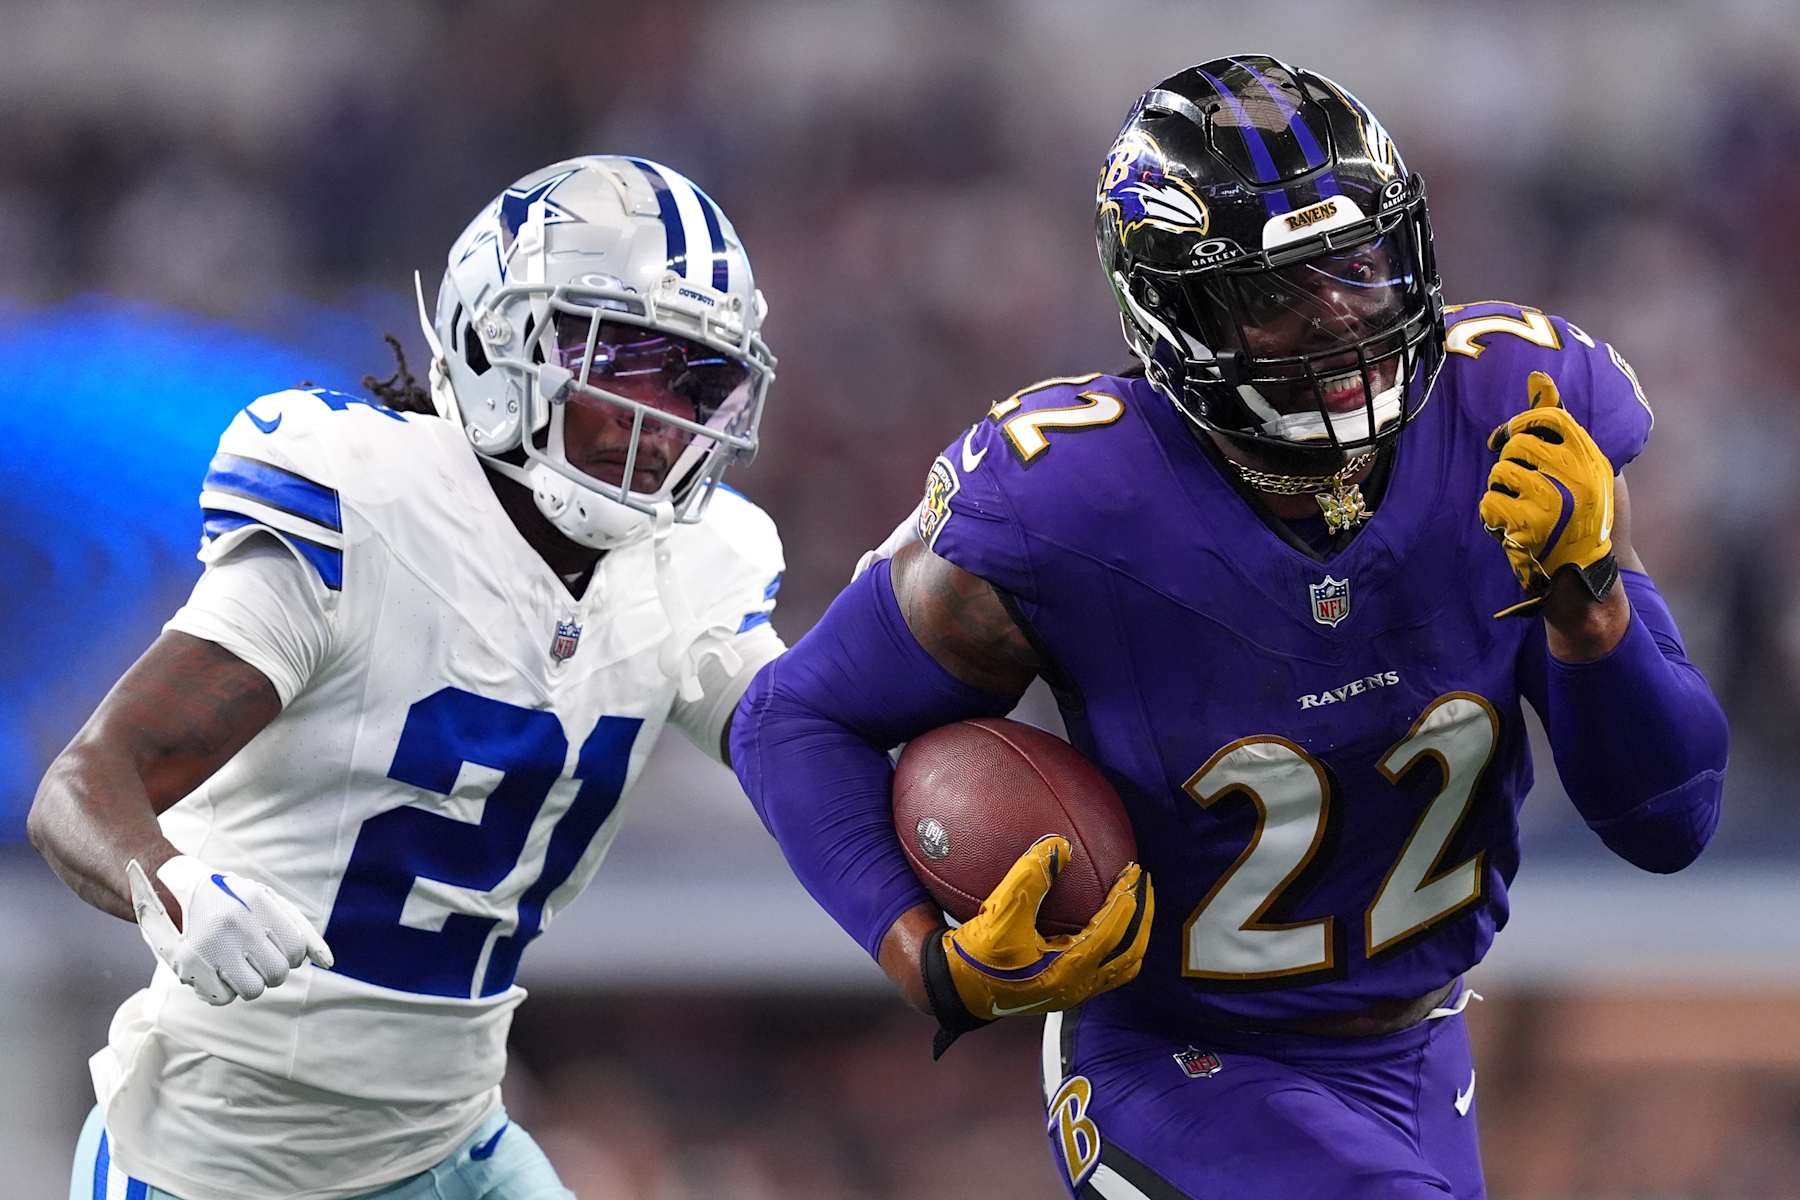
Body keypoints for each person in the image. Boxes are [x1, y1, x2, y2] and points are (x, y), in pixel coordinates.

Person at [729, 55, 1729, 1198]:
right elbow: (791, 718)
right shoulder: (1072, 503)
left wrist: (1589, 608)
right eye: (1272, 294)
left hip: (1422, 1052)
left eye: (1357, 262)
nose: (1341, 312)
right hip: (1180, 1065)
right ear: (1174, 311)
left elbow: (1671, 818)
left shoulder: (1520, 412)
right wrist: (925, 959)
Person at [29, 155, 784, 1200]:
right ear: (496, 338)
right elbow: (84, 785)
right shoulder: (367, 505)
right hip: (210, 1162)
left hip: (453, 1150)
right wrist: (179, 889)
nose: (657, 418)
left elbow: (813, 749)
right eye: (623, 361)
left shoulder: (693, 564)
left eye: (696, 381)